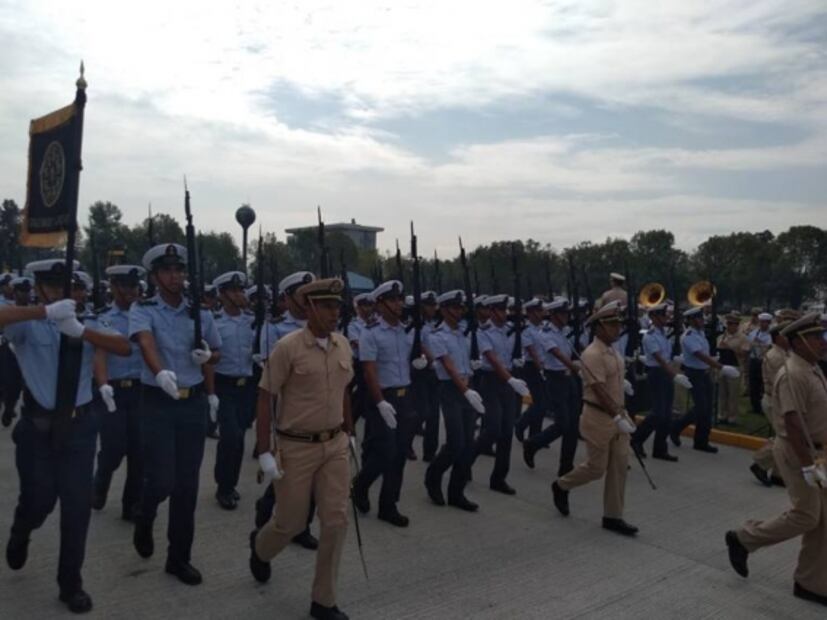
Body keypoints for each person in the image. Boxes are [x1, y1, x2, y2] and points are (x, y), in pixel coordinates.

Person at [2, 258, 131, 613]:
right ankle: (22, 529)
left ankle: (70, 583)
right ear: (40, 286)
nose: (65, 292)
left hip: (80, 427)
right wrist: (43, 311)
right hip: (38, 430)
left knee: (77, 508)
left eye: (69, 286)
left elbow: (124, 347)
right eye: (55, 286)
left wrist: (80, 331)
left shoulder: (88, 321)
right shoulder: (29, 324)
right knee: (40, 499)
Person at [249, 277, 354, 620]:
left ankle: (323, 601)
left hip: (334, 444)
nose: (333, 313)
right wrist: (264, 449)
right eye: (326, 306)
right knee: (290, 523)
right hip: (296, 447)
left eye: (336, 306)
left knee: (336, 521)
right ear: (308, 308)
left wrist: (349, 432)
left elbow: (344, 391)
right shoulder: (288, 347)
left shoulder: (343, 345)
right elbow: (266, 396)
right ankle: (260, 549)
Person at [128, 243, 222, 586]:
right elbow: (146, 342)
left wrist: (206, 357)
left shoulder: (201, 312)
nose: (175, 276)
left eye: (179, 270)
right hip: (157, 400)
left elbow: (218, 354)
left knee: (187, 486)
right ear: (154, 276)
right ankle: (145, 512)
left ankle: (178, 557)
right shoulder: (144, 308)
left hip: (191, 403)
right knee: (163, 479)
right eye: (167, 270)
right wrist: (159, 372)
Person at [726, 312, 827, 608]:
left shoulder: (812, 368)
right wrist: (808, 464)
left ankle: (811, 582)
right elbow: (793, 421)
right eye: (815, 337)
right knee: (807, 515)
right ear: (798, 341)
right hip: (800, 452)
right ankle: (744, 538)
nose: (822, 342)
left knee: (824, 521)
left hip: (819, 452)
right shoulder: (793, 372)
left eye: (822, 336)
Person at [550, 301, 639, 536]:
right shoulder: (592, 353)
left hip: (618, 413)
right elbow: (599, 390)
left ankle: (613, 516)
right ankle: (561, 485)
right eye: (612, 325)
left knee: (619, 468)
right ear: (599, 327)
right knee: (596, 468)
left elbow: (612, 380)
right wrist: (616, 416)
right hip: (598, 417)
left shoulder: (613, 351)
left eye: (618, 324)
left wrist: (623, 392)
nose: (617, 329)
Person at [253, 271, 320, 550]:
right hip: (290, 410)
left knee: (316, 475)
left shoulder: (322, 326)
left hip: (319, 409)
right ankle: (266, 507)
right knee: (291, 474)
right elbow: (270, 381)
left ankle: (302, 526)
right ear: (288, 298)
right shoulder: (274, 328)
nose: (308, 302)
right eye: (302, 296)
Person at [352, 280, 422, 526]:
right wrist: (380, 402)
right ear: (380, 305)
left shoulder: (408, 331)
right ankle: (360, 485)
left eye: (400, 299)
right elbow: (369, 371)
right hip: (381, 398)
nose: (398, 304)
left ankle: (388, 505)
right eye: (392, 300)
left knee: (400, 453)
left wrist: (420, 364)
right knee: (386, 452)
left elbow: (409, 361)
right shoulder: (370, 332)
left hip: (405, 396)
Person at [91, 264, 148, 522]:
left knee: (139, 451)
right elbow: (100, 353)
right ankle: (101, 481)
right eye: (124, 286)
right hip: (111, 390)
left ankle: (132, 504)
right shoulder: (102, 317)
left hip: (141, 390)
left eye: (134, 286)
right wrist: (102, 384)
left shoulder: (147, 315)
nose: (130, 291)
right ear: (113, 287)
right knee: (114, 448)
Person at [424, 290, 485, 512]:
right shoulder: (436, 335)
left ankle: (456, 493)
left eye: (461, 308)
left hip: (468, 387)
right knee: (456, 442)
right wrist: (465, 390)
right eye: (456, 307)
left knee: (468, 444)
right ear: (445, 309)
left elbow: (466, 361)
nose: (460, 311)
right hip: (451, 390)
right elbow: (448, 366)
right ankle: (433, 476)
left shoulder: (462, 334)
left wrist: (472, 374)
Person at [471, 294, 530, 495]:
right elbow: (492, 359)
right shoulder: (482, 332)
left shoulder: (510, 331)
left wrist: (518, 361)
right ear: (491, 311)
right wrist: (510, 379)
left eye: (506, 310)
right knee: (493, 429)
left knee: (506, 431)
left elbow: (514, 354)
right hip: (491, 381)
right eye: (500, 310)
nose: (505, 314)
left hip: (508, 382)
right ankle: (467, 458)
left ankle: (499, 478)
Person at [208, 271, 255, 510]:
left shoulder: (252, 321)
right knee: (231, 436)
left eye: (241, 290)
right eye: (235, 290)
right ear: (224, 294)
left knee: (240, 439)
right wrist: (210, 393)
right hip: (224, 385)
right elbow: (208, 359)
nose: (241, 295)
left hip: (246, 387)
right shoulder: (214, 322)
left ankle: (230, 483)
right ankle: (223, 487)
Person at [522, 298, 581, 477]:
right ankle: (533, 444)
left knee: (573, 426)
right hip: (555, 379)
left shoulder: (567, 331)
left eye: (567, 313)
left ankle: (566, 466)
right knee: (563, 423)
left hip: (569, 379)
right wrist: (577, 367)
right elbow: (557, 354)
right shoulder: (545, 333)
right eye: (563, 314)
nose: (566, 317)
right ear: (554, 315)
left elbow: (577, 350)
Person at [670, 306, 740, 453]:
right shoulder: (688, 336)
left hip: (704, 372)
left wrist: (713, 361)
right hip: (694, 373)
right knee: (701, 407)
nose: (702, 320)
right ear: (691, 320)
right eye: (699, 318)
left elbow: (706, 354)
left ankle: (701, 441)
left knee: (707, 408)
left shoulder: (700, 333)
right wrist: (721, 367)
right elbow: (700, 355)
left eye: (701, 317)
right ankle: (676, 427)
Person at [631, 303, 690, 462]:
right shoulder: (649, 336)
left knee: (666, 414)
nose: (666, 318)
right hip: (657, 374)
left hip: (665, 373)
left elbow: (667, 357)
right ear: (654, 317)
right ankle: (636, 439)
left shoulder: (664, 333)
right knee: (658, 412)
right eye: (663, 315)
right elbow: (659, 360)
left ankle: (659, 448)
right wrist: (675, 375)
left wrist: (677, 361)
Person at [750, 310, 799, 486]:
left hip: (780, 400)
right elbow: (784, 383)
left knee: (786, 437)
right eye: (787, 336)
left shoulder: (785, 354)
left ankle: (778, 475)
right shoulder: (776, 356)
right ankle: (760, 464)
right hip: (774, 401)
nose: (791, 340)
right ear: (778, 338)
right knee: (785, 437)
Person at [514, 297, 551, 440]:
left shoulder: (543, 328)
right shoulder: (526, 330)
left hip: (543, 366)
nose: (542, 313)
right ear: (531, 312)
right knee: (540, 402)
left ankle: (535, 434)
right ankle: (521, 424)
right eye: (539, 311)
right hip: (532, 367)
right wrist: (540, 369)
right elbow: (531, 350)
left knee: (542, 402)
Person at [412, 290, 441, 461]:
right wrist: (431, 359)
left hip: (434, 372)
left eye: (433, 305)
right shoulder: (416, 326)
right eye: (429, 305)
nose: (432, 308)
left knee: (434, 415)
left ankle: (430, 451)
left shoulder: (433, 325)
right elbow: (420, 344)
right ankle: (406, 441)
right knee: (422, 412)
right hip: (421, 372)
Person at [716, 312, 750, 425]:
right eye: (728, 323)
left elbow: (744, 353)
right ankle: (722, 415)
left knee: (733, 394)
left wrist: (730, 348)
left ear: (737, 325)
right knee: (722, 393)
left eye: (733, 324)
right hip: (722, 366)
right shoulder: (721, 336)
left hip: (735, 367)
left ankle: (732, 417)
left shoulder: (743, 338)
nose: (730, 326)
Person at [747, 313, 773, 413]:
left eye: (765, 322)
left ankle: (763, 406)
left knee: (763, 384)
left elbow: (769, 346)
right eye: (761, 322)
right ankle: (755, 406)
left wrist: (760, 342)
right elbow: (749, 342)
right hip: (753, 360)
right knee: (753, 384)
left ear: (769, 323)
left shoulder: (771, 334)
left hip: (764, 360)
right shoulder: (754, 332)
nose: (763, 324)